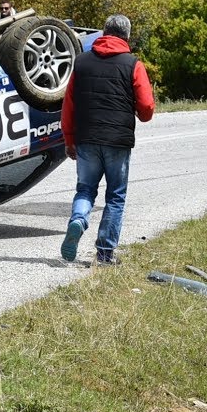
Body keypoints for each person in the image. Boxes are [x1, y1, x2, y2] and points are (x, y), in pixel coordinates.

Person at [58, 14, 155, 265]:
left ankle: (78, 220)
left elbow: (68, 105)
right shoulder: (133, 64)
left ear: (104, 32)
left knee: (86, 189)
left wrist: (69, 139)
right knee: (115, 196)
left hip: (86, 138)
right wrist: (139, 112)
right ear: (127, 36)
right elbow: (146, 107)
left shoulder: (81, 63)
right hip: (117, 140)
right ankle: (104, 253)